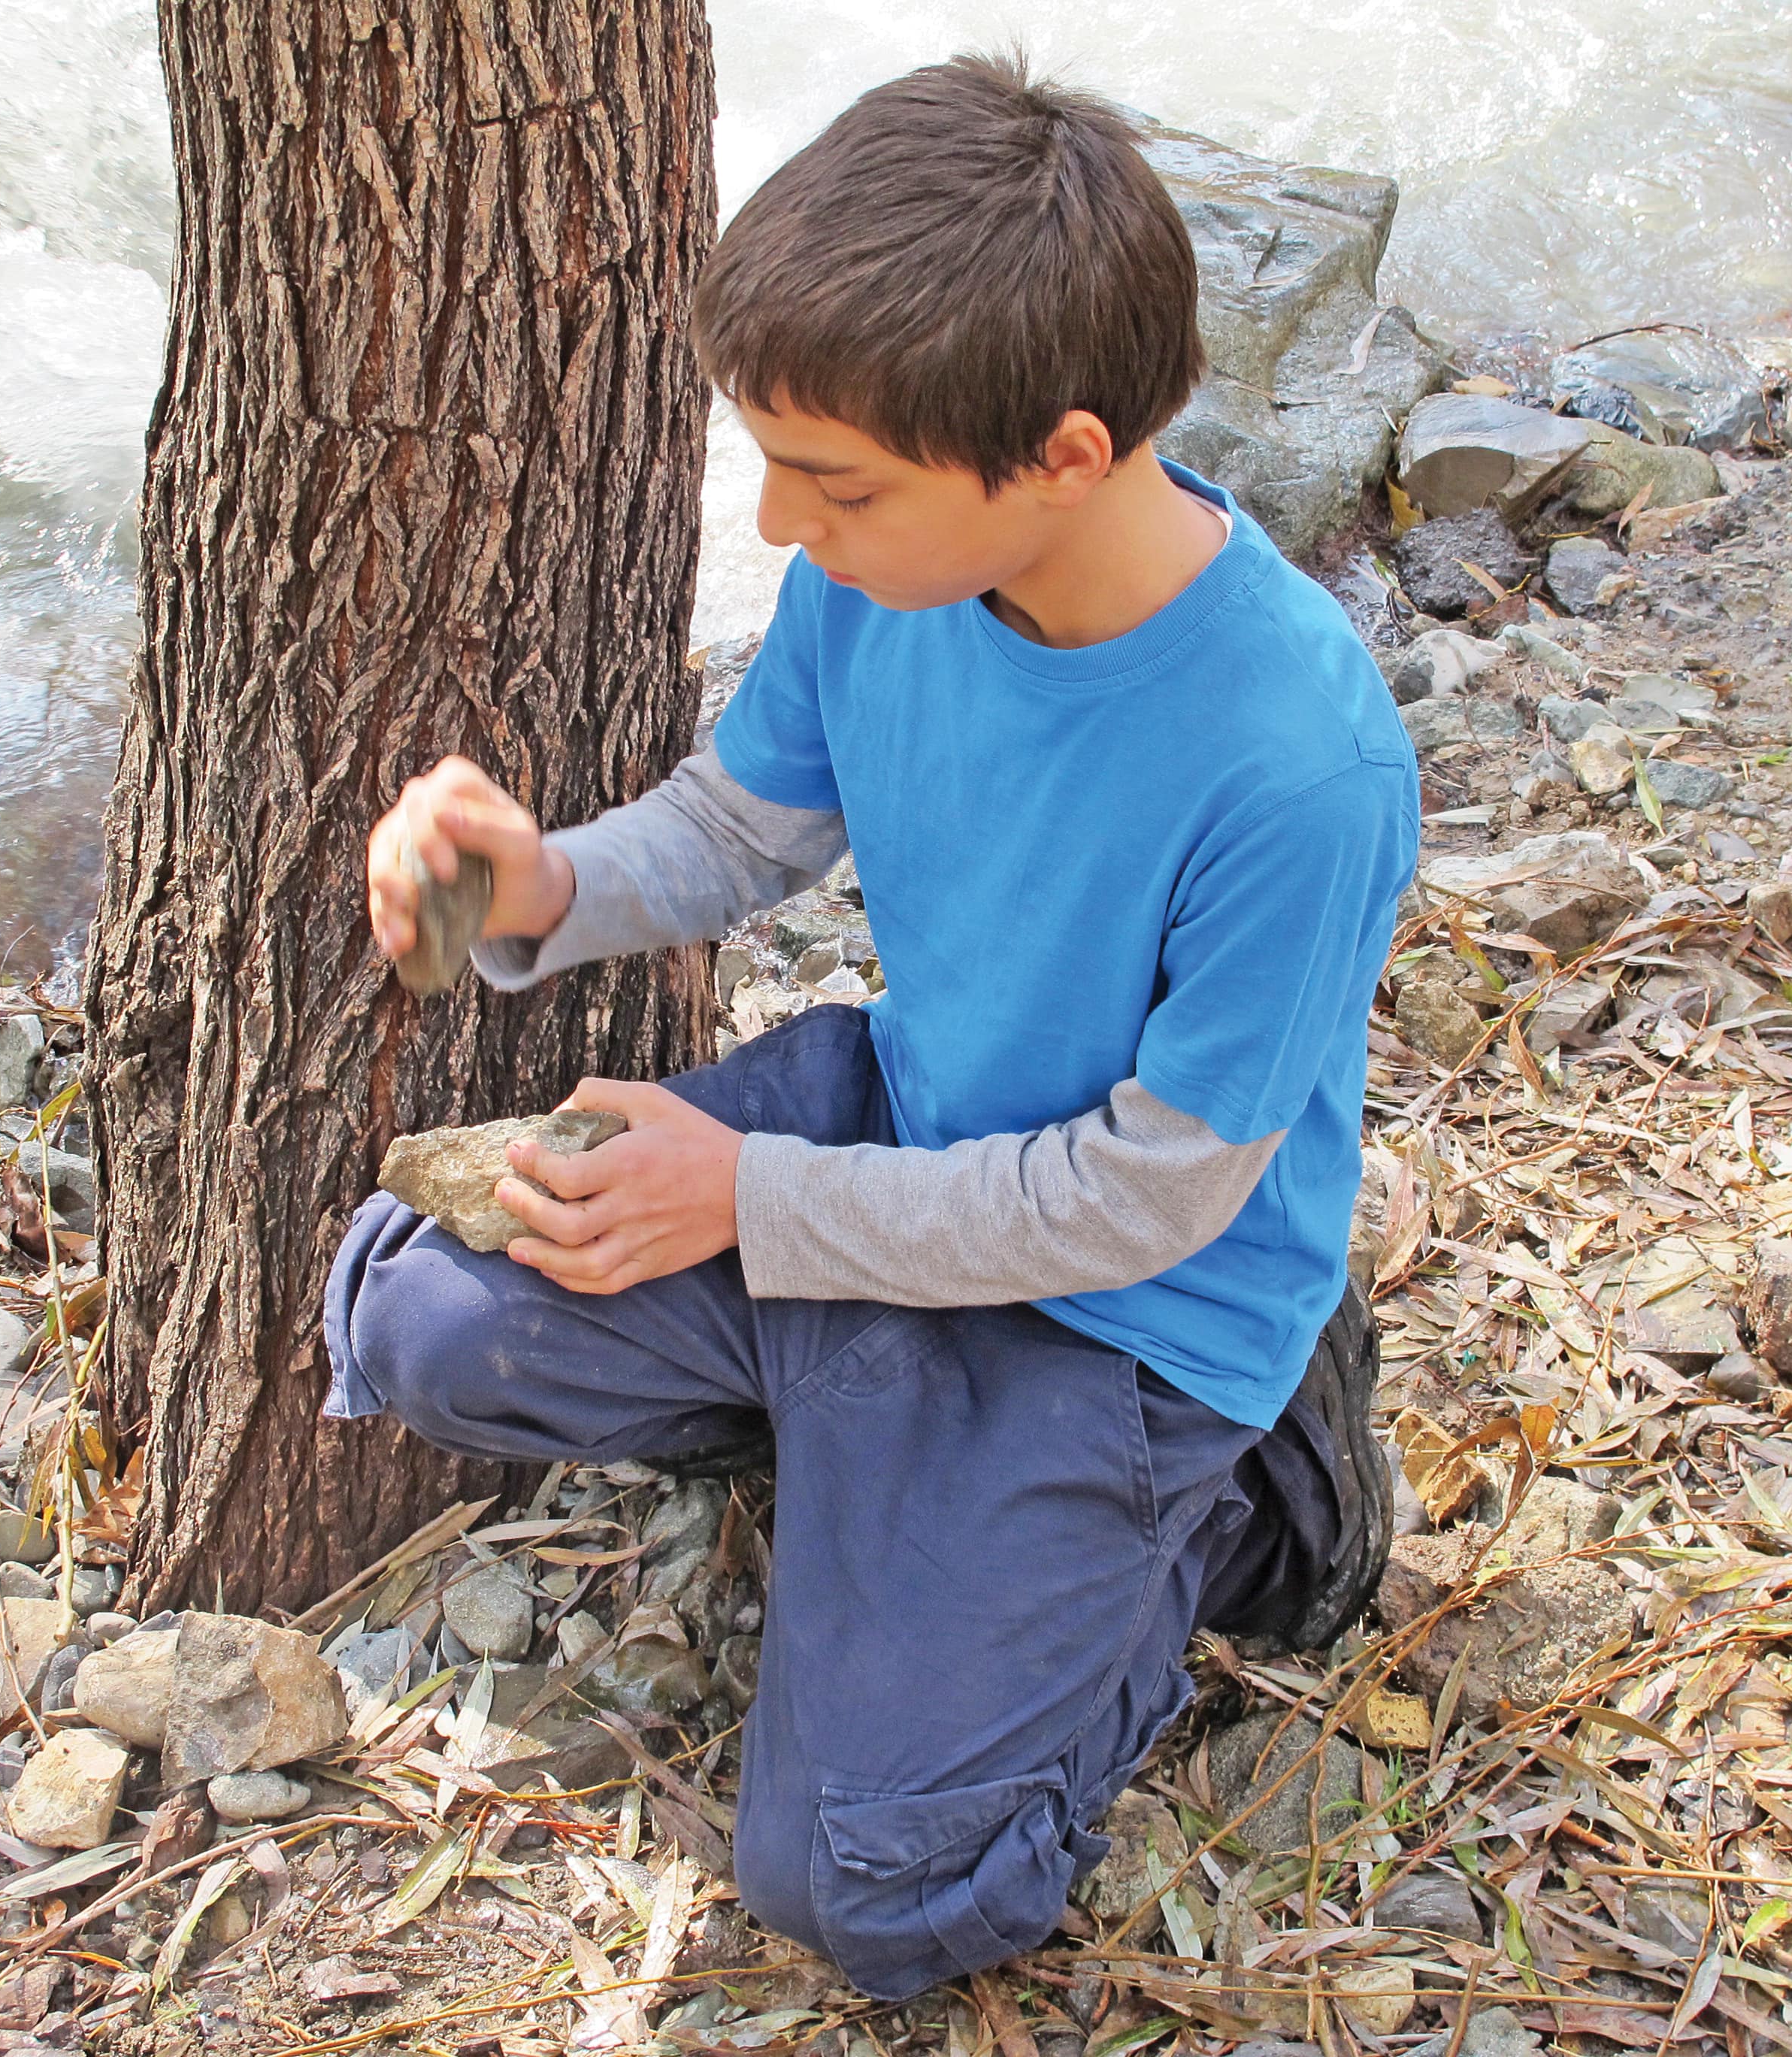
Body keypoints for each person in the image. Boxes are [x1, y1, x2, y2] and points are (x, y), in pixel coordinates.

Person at [322, 51, 1419, 2002]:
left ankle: (1226, 1523)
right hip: (899, 1134)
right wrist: (538, 885)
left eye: (831, 486)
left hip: (1135, 1315)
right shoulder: (890, 572)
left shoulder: (1298, 762)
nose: (776, 524)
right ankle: (882, 1464)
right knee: (421, 1315)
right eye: (771, 463)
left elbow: (1145, 1199)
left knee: (878, 1896)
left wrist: (752, 1204)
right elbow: (747, 826)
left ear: (1062, 456)